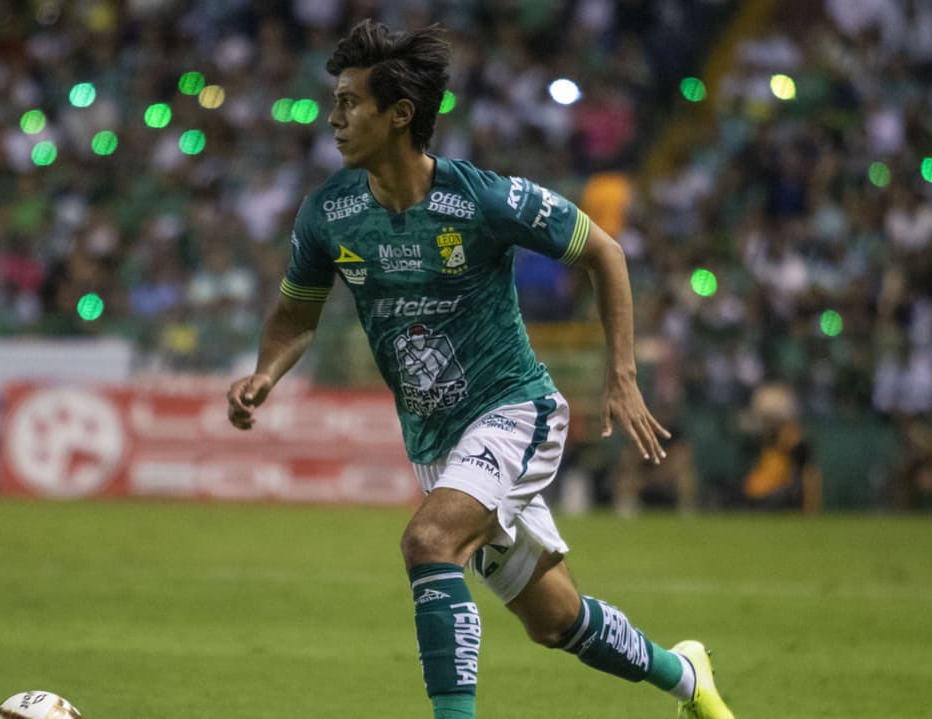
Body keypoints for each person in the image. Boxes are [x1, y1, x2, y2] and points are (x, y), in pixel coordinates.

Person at [227, 20, 734, 719]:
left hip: (514, 410)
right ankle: (688, 676)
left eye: (349, 103)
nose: (334, 118)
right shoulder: (328, 216)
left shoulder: (482, 199)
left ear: (399, 114)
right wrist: (265, 374)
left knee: (428, 541)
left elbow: (605, 252)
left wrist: (621, 373)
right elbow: (294, 317)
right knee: (556, 620)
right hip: (437, 443)